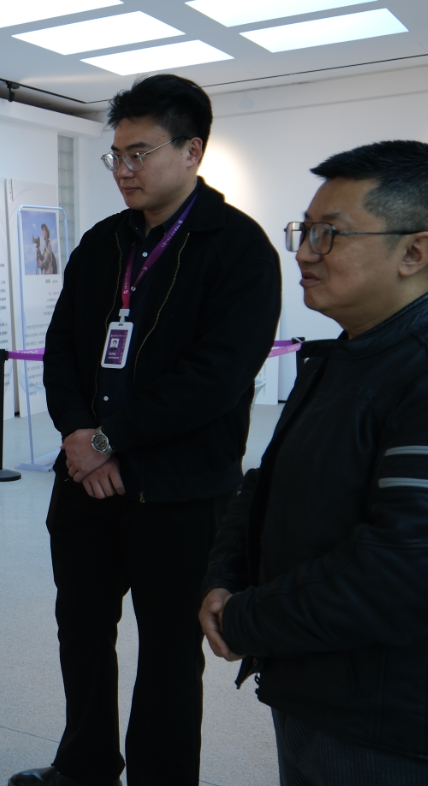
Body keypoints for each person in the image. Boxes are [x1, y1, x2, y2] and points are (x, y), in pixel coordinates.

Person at [9, 74, 282, 786]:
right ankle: (86, 764)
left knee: (168, 650)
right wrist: (79, 435)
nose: (124, 169)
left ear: (192, 151)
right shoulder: (103, 243)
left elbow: (215, 378)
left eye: (140, 154)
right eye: (117, 155)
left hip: (181, 490)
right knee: (82, 632)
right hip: (85, 483)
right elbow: (62, 348)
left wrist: (109, 439)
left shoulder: (240, 249)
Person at [201, 140, 428, 783]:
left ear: (414, 253)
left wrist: (246, 618)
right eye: (304, 231)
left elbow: (402, 569)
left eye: (330, 234)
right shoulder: (344, 355)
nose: (303, 253)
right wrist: (224, 576)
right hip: (313, 678)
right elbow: (267, 483)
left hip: (382, 722)